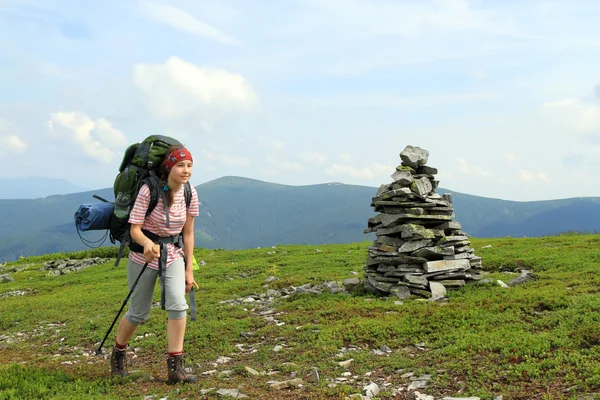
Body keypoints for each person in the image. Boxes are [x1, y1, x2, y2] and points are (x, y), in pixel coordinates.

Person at [109, 145, 200, 384]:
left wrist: (189, 269)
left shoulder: (190, 192)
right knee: (138, 312)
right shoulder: (149, 190)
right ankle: (118, 354)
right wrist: (148, 244)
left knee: (178, 306)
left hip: (173, 254)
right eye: (180, 165)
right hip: (143, 256)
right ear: (168, 167)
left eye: (189, 165)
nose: (186, 170)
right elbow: (135, 229)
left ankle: (175, 368)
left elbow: (188, 233)